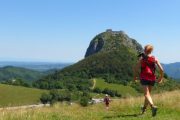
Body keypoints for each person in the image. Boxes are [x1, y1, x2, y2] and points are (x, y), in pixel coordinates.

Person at [134, 44, 164, 117]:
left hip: (144, 77)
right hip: (152, 78)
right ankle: (144, 110)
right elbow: (161, 69)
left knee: (146, 94)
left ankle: (152, 106)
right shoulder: (155, 59)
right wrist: (161, 78)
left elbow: (135, 69)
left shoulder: (142, 59)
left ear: (144, 50)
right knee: (148, 95)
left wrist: (136, 76)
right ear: (151, 51)